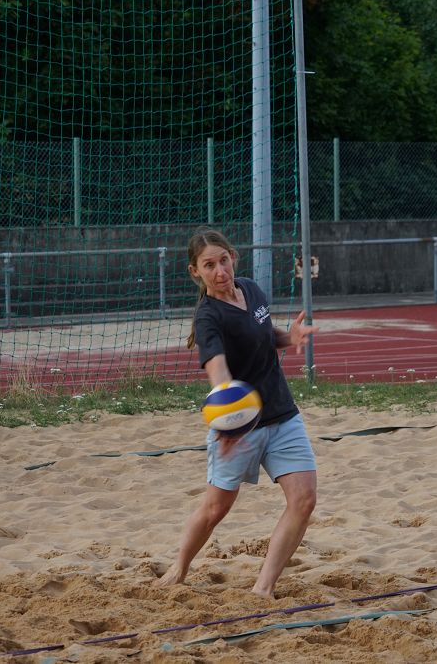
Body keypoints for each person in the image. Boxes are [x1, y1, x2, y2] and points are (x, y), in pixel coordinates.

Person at [154, 226, 319, 599]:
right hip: (239, 425)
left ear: (234, 257)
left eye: (224, 260)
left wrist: (288, 338)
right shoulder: (208, 317)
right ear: (195, 271)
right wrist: (229, 421)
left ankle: (264, 587)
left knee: (304, 499)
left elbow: (263, 334)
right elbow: (218, 368)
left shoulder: (251, 289)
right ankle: (180, 567)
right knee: (215, 508)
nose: (220, 271)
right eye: (209, 265)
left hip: (281, 413)